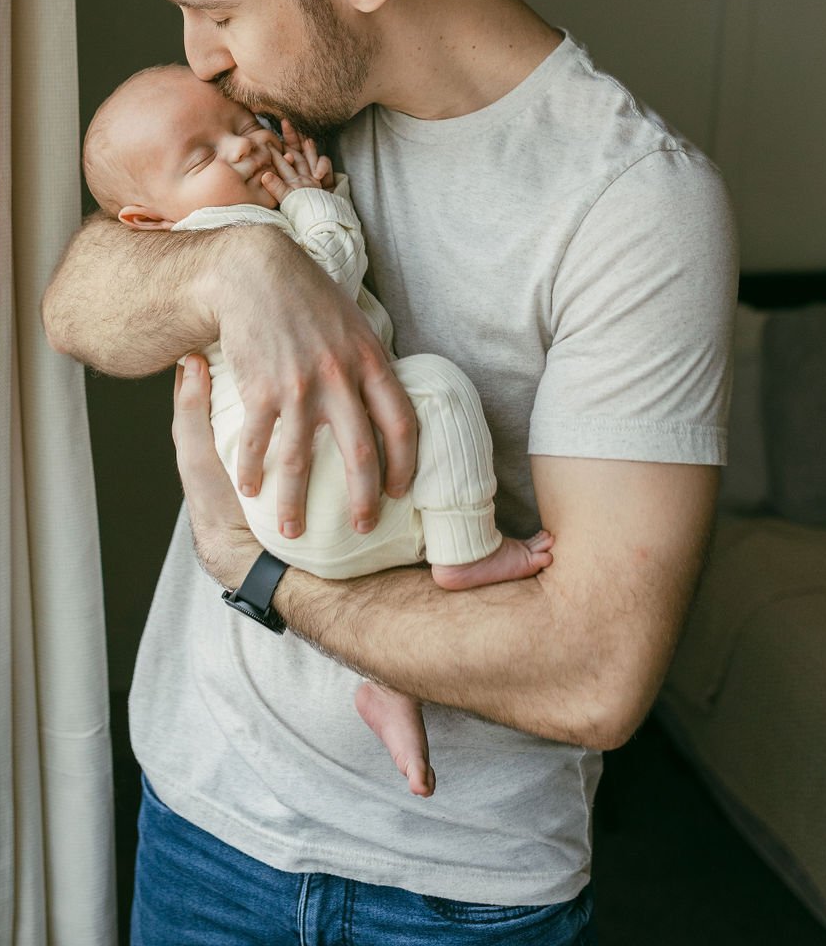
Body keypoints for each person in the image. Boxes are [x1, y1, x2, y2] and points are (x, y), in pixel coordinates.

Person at [43, 0, 738, 946]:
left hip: (453, 896)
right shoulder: (270, 129)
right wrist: (242, 272)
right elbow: (80, 299)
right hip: (203, 824)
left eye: (216, 11)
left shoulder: (636, 206)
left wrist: (256, 575)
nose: (196, 60)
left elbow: (593, 671)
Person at [81, 61, 556, 799]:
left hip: (287, 509)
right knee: (434, 389)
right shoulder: (223, 232)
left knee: (384, 539)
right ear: (148, 223)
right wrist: (312, 202)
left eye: (243, 128)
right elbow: (330, 271)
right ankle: (470, 550)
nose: (243, 150)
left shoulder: (213, 232)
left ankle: (386, 683)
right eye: (204, 156)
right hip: (305, 480)